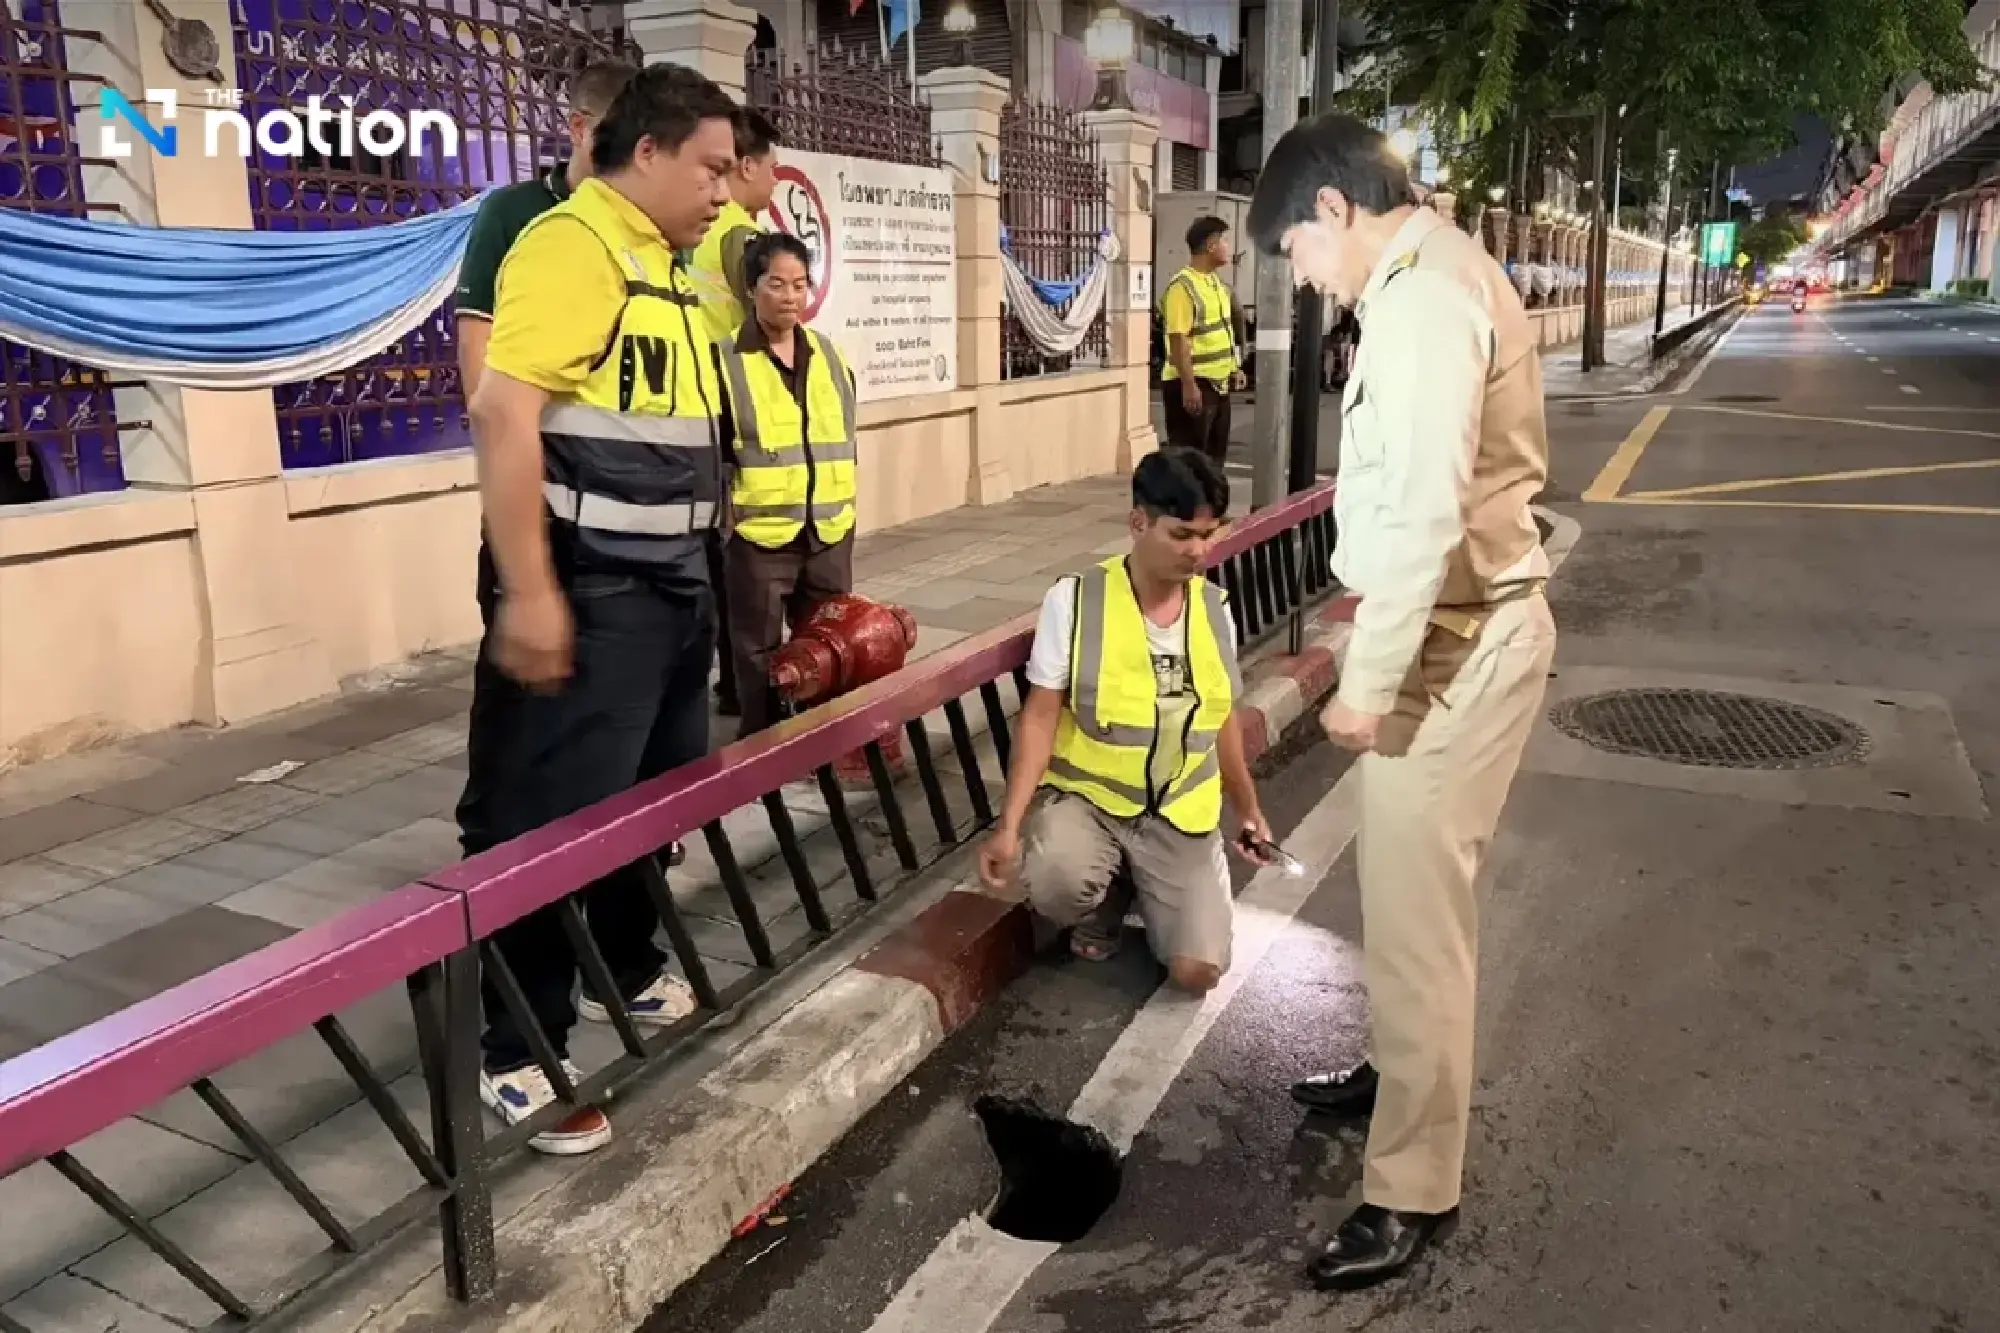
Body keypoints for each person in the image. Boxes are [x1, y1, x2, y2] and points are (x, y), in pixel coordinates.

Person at [1246, 113, 1557, 1289]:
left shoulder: (1424, 302)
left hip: (1452, 641)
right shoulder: (1429, 279)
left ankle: (1411, 1185)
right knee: (1395, 891)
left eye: (1294, 256)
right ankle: (1394, 1071)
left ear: (1331, 211)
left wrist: (1361, 687)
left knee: (1423, 927)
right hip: (1447, 628)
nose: (1302, 280)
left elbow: (1425, 515)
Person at [455, 63, 740, 1157]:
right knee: (545, 827)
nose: (724, 188)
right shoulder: (572, 246)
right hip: (590, 588)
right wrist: (530, 593)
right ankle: (520, 1050)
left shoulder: (665, 262)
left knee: (646, 811)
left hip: (673, 588)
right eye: (710, 166)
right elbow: (504, 412)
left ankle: (625, 972)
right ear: (649, 152)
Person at [977, 449, 1273, 995]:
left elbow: (1222, 719)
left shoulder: (1214, 609)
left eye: (1211, 534)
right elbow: (1040, 719)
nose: (1200, 551)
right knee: (1057, 882)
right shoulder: (1076, 601)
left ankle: (1161, 882)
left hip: (1178, 813)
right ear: (1138, 523)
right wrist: (1010, 826)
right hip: (1093, 804)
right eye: (1183, 534)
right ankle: (1105, 897)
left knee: (1198, 972)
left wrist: (1249, 810)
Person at [713, 231, 860, 738]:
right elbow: (715, 451)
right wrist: (726, 522)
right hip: (759, 537)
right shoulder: (724, 361)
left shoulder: (830, 357)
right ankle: (763, 745)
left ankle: (821, 740)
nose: (790, 296)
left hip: (828, 532)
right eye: (777, 284)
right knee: (756, 650)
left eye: (800, 285)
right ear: (752, 288)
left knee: (828, 642)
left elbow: (844, 435)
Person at [453, 59, 638, 398]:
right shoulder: (510, 212)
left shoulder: (647, 221)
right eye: (619, 137)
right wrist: (495, 440)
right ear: (579, 128)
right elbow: (478, 332)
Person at [687, 108, 782, 717]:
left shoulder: (701, 233)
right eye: (771, 166)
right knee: (734, 553)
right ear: (748, 165)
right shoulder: (740, 235)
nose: (774, 179)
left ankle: (725, 680)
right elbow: (766, 319)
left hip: (703, 395)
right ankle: (737, 685)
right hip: (731, 403)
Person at [1158, 216, 1246, 464]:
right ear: (1210, 246)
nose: (1228, 247)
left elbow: (1224, 332)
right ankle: (1189, 504)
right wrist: (1189, 385)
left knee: (1214, 460)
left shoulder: (1216, 284)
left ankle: (1209, 503)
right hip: (1194, 385)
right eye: (1224, 241)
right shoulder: (1182, 287)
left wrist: (1234, 367)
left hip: (1218, 384)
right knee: (1190, 461)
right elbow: (1178, 340)